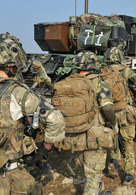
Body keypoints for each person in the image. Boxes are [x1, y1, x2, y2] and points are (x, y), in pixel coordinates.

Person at [0, 33, 65, 194]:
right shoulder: (16, 92)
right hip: (11, 175)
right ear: (13, 65)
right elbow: (55, 118)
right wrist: (47, 146)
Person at [53, 50, 116, 195]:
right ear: (94, 65)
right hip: (94, 134)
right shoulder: (97, 81)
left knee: (84, 168)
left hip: (72, 133)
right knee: (93, 172)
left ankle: (100, 191)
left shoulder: (68, 81)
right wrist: (113, 122)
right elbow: (107, 107)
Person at [103, 47, 136, 185]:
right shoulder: (126, 71)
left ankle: (112, 165)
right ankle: (128, 174)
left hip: (108, 113)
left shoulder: (102, 73)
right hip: (125, 112)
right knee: (127, 143)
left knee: (112, 140)